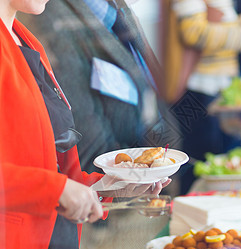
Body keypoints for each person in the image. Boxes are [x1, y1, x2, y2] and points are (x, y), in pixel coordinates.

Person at [0, 0, 170, 249]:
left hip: (53, 241)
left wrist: (105, 186)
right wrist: (55, 189)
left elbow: (48, 157)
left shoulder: (23, 37)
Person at [18, 0, 180, 176]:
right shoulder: (47, 13)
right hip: (117, 186)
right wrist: (139, 181)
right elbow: (85, 142)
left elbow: (144, 79)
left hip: (157, 166)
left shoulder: (116, 6)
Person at [163, 0, 241, 194]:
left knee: (217, 164)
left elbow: (222, 27)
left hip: (217, 89)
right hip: (196, 89)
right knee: (197, 166)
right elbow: (194, 33)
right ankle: (187, 217)